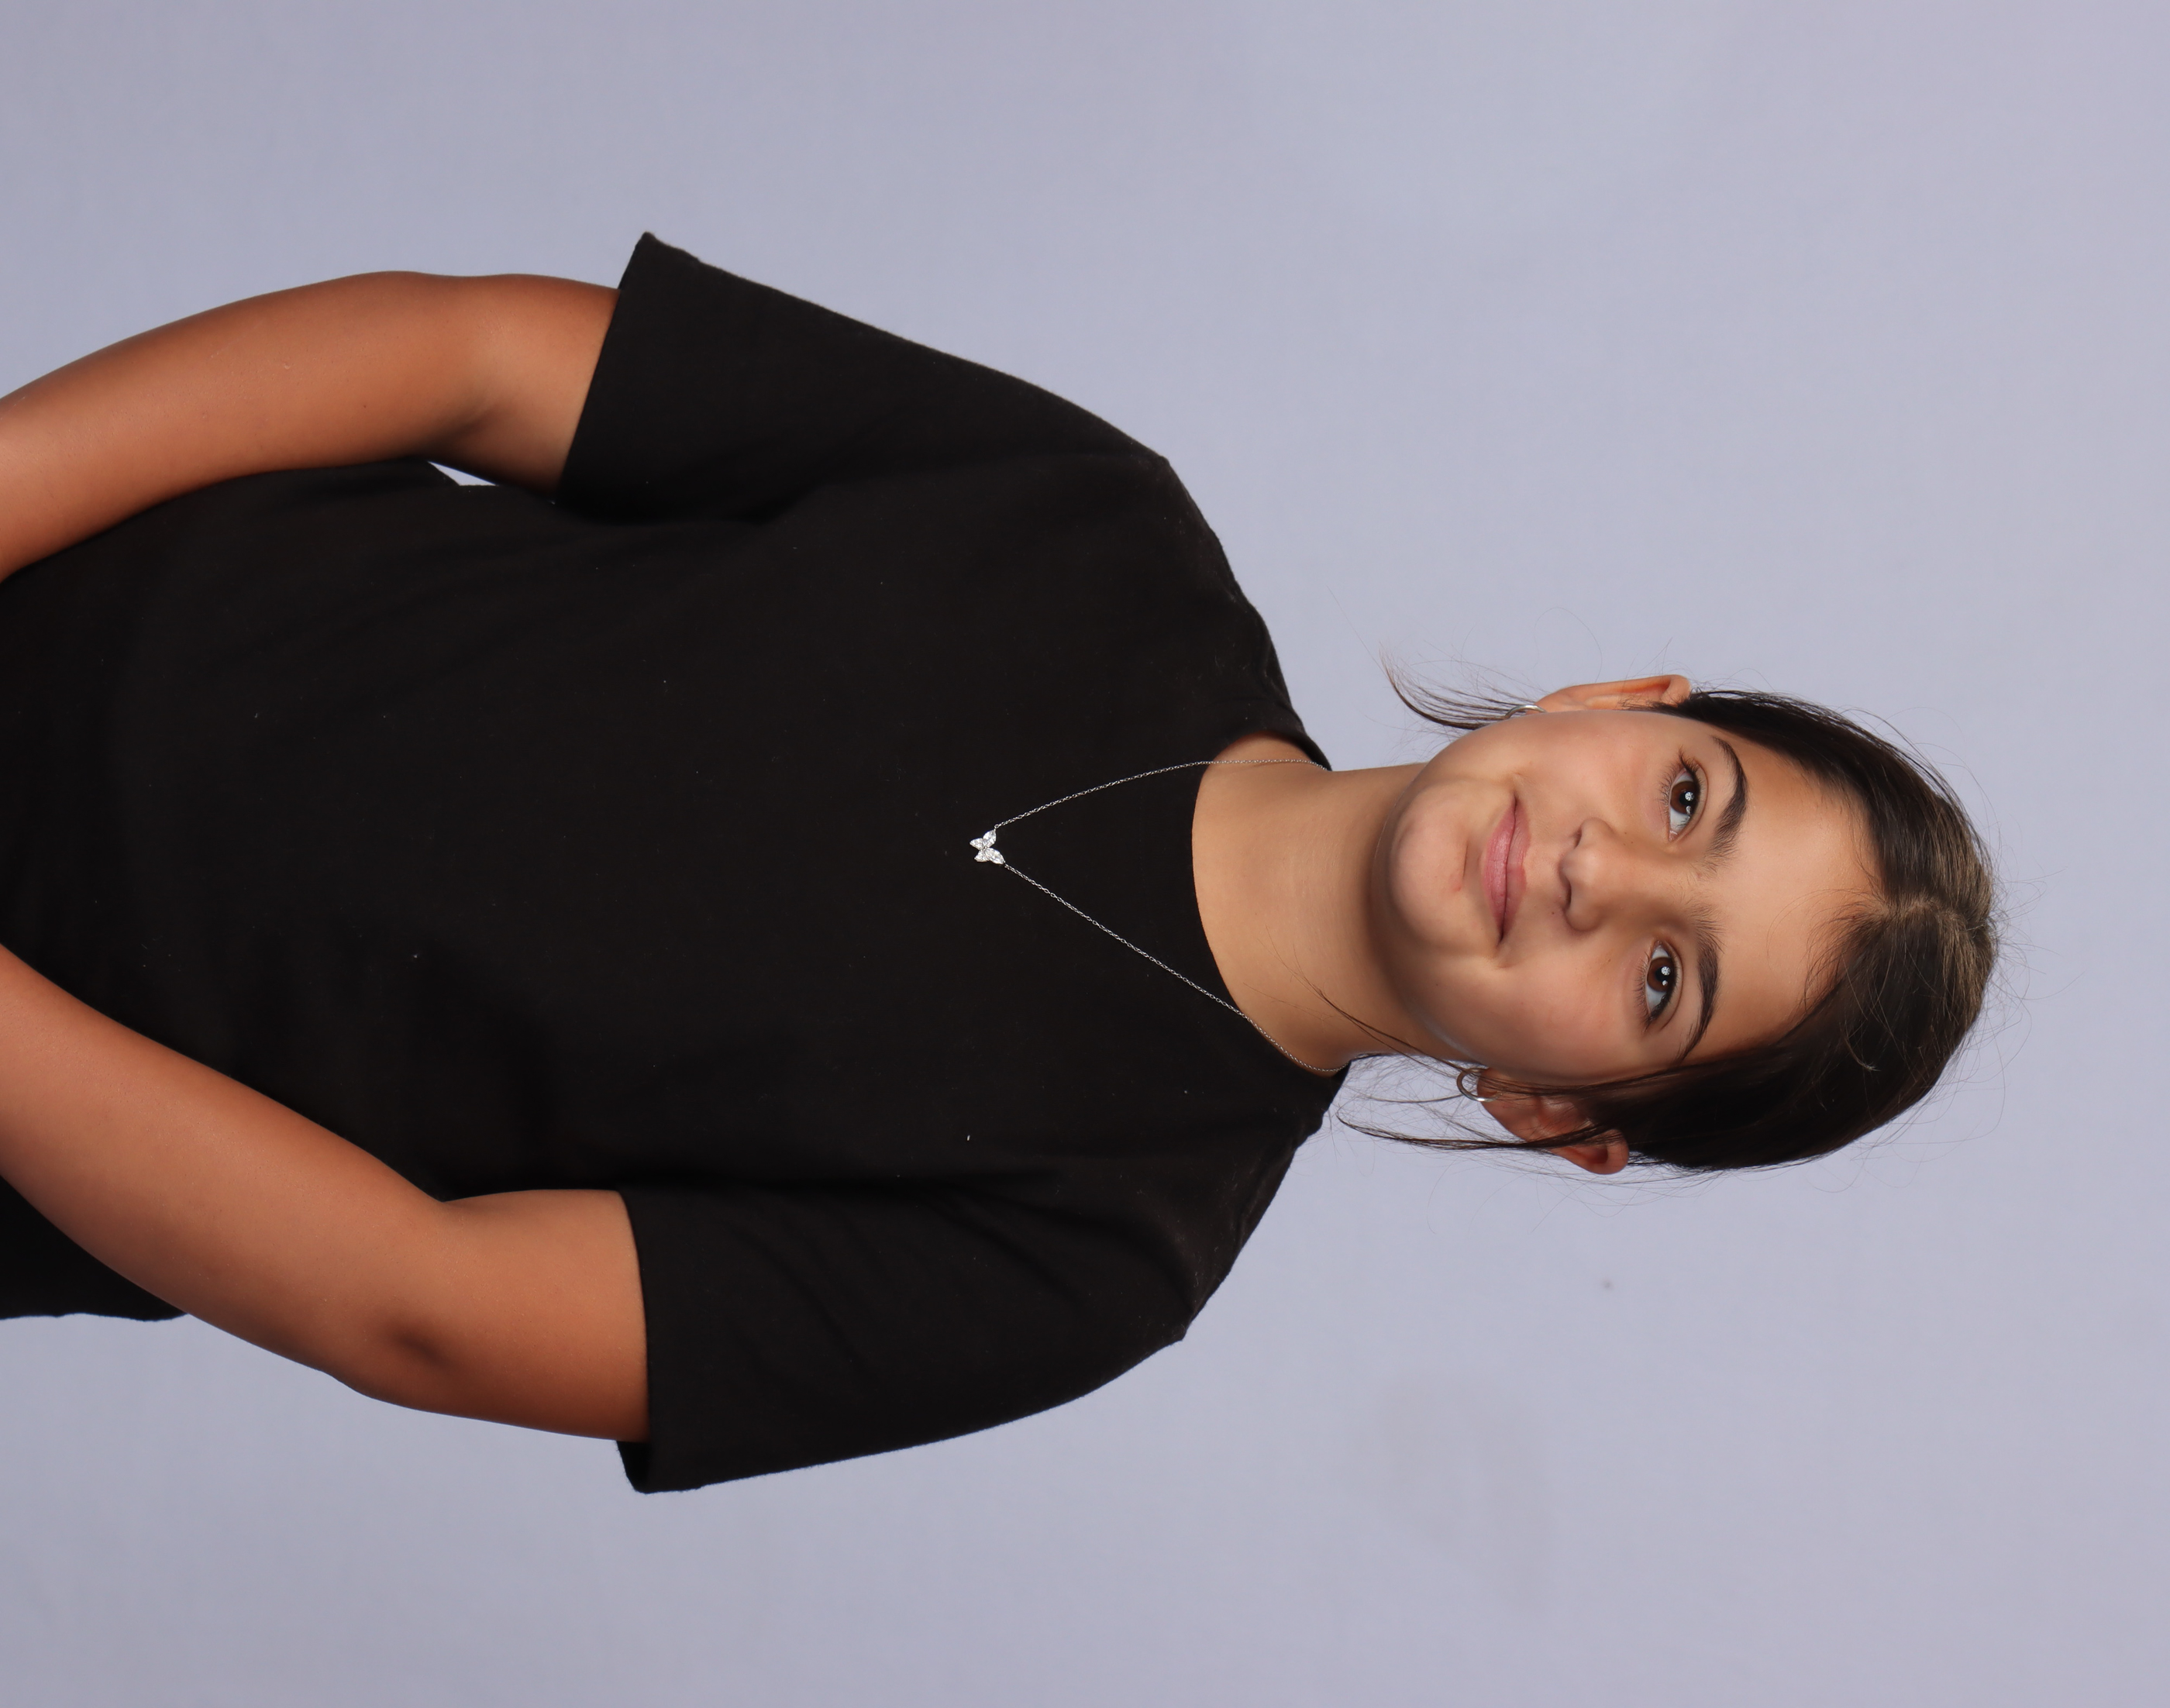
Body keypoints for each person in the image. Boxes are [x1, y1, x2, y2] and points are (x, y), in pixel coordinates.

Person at [0, 236, 1995, 1492]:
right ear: (1619, 698)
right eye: (1685, 802)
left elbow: (419, 1302)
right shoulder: (1097, 524)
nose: (1598, 879)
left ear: (1567, 1113)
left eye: (1662, 979)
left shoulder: (1094, 1255)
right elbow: (472, 358)